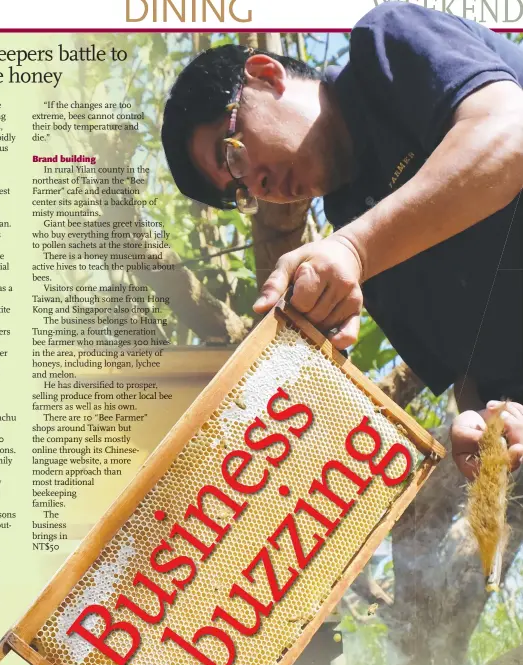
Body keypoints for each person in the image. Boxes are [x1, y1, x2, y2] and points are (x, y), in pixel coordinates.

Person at [161, 3, 523, 479]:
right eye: (241, 193)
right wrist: (483, 418)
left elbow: (509, 136)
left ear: (266, 75)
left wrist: (356, 248)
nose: (259, 186)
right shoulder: (351, 232)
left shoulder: (383, 44)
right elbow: (469, 368)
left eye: (233, 158)